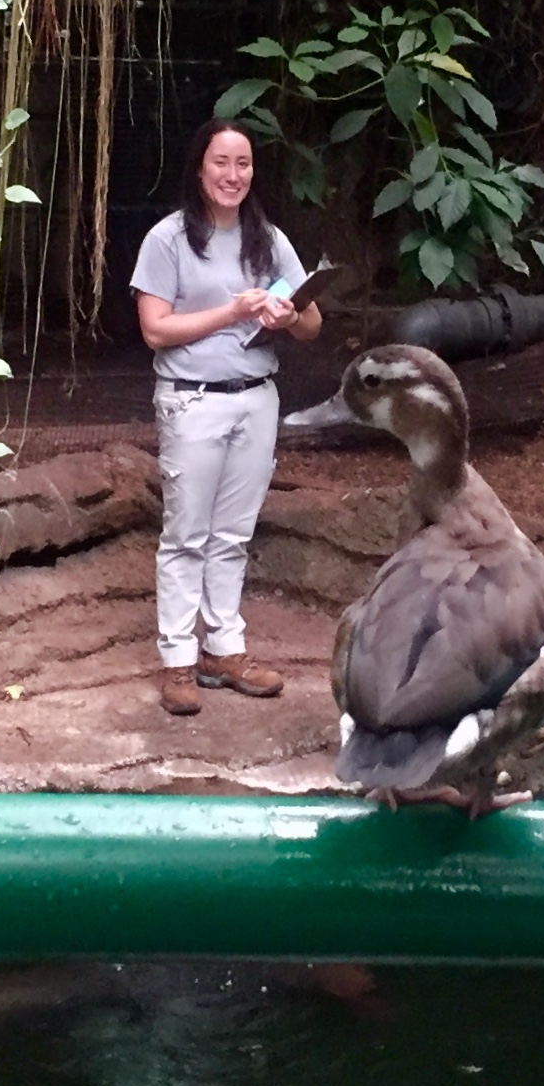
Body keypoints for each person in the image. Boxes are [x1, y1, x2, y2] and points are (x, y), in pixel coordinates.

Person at [130, 119, 323, 716]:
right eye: (221, 162)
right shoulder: (167, 239)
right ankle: (178, 660)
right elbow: (154, 329)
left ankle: (225, 649)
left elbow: (312, 326)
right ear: (199, 168)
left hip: (256, 394)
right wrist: (231, 311)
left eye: (242, 164)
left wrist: (287, 316)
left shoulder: (266, 238)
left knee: (234, 534)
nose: (232, 175)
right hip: (192, 398)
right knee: (186, 533)